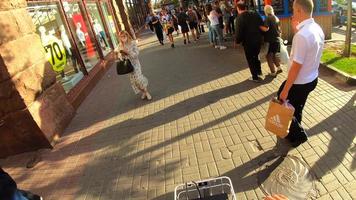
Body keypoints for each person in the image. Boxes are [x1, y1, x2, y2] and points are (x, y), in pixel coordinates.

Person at [277, 0, 324, 147]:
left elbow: (296, 67)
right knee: (297, 107)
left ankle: (298, 136)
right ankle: (293, 133)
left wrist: (285, 91)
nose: (292, 13)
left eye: (293, 10)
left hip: (300, 82)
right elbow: (308, 47)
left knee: (283, 102)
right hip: (312, 79)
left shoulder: (302, 36)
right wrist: (297, 30)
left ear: (299, 11)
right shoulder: (317, 28)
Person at [116, 31, 152, 100]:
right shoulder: (120, 45)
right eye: (121, 37)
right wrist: (121, 55)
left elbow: (137, 54)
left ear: (127, 35)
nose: (123, 38)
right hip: (128, 66)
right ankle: (143, 92)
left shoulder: (132, 43)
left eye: (124, 36)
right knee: (134, 82)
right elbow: (119, 57)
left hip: (135, 64)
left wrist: (128, 52)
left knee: (139, 79)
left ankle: (147, 92)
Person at [235, 2, 265, 82]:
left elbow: (239, 32)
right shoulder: (255, 14)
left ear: (238, 9)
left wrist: (237, 41)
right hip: (258, 40)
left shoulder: (239, 18)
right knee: (256, 56)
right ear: (245, 7)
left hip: (248, 42)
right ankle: (259, 71)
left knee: (250, 59)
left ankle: (255, 77)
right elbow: (263, 26)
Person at [263, 5, 283, 77]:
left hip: (270, 40)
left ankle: (273, 72)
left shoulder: (268, 18)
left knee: (268, 57)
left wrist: (259, 27)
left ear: (266, 11)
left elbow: (266, 28)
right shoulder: (276, 18)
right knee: (274, 55)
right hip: (277, 40)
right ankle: (279, 68)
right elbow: (280, 30)